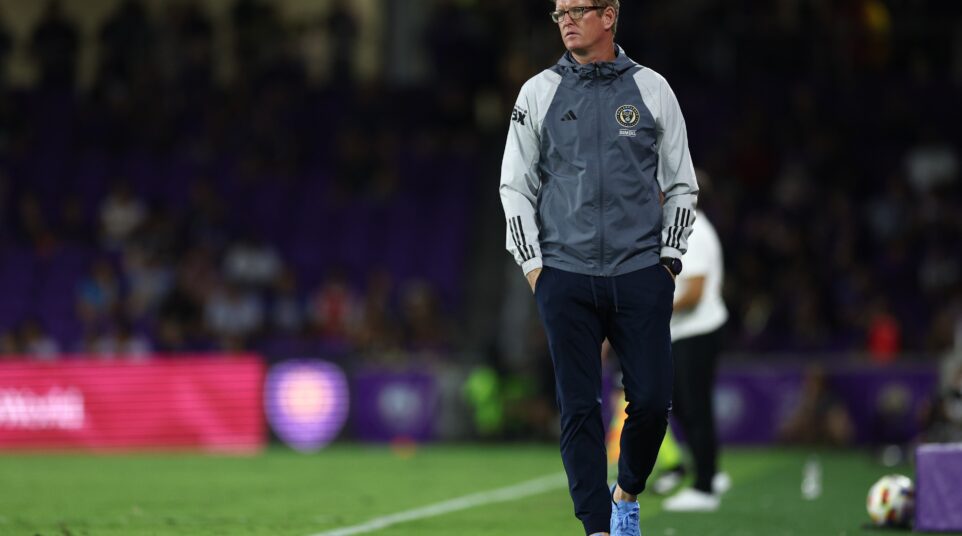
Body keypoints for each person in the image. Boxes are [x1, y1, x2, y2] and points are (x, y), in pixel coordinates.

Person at [499, 1, 698, 534]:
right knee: (579, 408)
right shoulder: (538, 92)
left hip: (640, 272)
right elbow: (514, 186)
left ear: (608, 16)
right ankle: (598, 528)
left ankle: (626, 493)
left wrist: (669, 261)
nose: (565, 19)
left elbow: (682, 184)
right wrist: (535, 268)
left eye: (577, 10)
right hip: (564, 273)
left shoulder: (652, 88)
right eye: (558, 12)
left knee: (652, 401)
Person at [657, 204, 730, 512]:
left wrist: (654, 306)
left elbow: (696, 291)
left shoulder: (695, 230)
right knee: (684, 405)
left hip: (698, 331)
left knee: (695, 407)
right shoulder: (689, 228)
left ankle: (704, 487)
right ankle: (710, 471)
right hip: (687, 332)